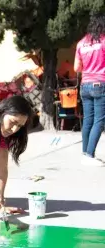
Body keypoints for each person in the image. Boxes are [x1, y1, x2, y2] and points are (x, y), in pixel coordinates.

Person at [74, 14, 105, 167]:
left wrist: (89, 67)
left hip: (85, 84)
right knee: (99, 120)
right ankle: (89, 154)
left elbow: (76, 68)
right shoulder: (104, 41)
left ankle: (85, 153)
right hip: (100, 84)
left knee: (88, 120)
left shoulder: (81, 43)